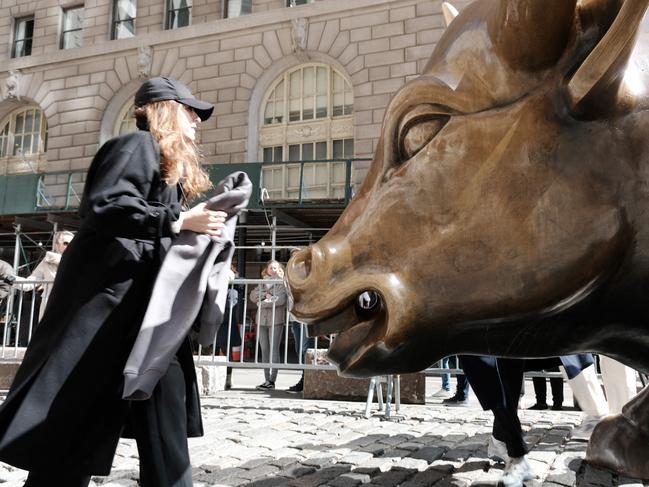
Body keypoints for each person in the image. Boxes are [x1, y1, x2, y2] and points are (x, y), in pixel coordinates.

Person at [0, 76, 226, 487]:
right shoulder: (136, 146)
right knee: (74, 425)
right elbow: (105, 206)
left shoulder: (168, 172)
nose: (197, 120)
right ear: (166, 110)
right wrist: (178, 221)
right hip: (110, 315)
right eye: (190, 110)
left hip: (146, 319)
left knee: (164, 426)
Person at [15, 230, 74, 321]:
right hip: (49, 303)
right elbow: (31, 282)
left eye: (72, 243)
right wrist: (11, 279)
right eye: (65, 243)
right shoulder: (47, 261)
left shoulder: (79, 260)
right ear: (57, 244)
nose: (69, 245)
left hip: (70, 303)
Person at [250, 260, 287, 390]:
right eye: (271, 267)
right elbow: (252, 296)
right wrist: (265, 296)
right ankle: (266, 380)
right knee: (264, 350)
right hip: (261, 321)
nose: (273, 270)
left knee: (273, 350)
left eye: (275, 268)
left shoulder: (282, 283)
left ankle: (272, 380)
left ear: (279, 269)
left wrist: (262, 303)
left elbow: (280, 299)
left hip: (276, 320)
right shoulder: (262, 282)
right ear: (267, 269)